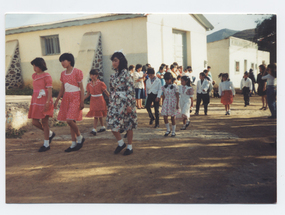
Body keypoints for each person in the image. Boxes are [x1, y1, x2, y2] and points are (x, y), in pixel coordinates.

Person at [106, 52, 137, 155]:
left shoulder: (127, 74)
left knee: (128, 124)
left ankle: (130, 146)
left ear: (121, 61)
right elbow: (111, 90)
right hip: (115, 103)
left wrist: (130, 105)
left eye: (116, 60)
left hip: (125, 102)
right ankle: (120, 143)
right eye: (113, 61)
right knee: (112, 123)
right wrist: (110, 102)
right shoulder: (113, 75)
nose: (113, 63)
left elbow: (130, 90)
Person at [54, 53, 85, 152]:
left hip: (76, 97)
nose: (62, 63)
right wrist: (57, 100)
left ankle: (80, 137)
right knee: (71, 122)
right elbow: (62, 89)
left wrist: (82, 101)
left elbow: (82, 88)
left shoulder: (77, 72)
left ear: (70, 61)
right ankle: (73, 143)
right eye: (61, 61)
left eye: (64, 60)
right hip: (67, 98)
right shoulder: (63, 74)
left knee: (69, 120)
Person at [28, 58, 55, 152]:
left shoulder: (47, 76)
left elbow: (50, 90)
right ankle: (50, 133)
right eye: (33, 66)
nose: (34, 68)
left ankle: (46, 144)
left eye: (36, 66)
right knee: (34, 122)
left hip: (45, 100)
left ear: (41, 65)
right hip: (36, 100)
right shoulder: (34, 76)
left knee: (44, 122)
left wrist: (48, 102)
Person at [84, 69, 110, 136]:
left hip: (100, 100)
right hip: (93, 100)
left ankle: (94, 129)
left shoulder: (101, 83)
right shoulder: (89, 84)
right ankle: (103, 127)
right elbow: (87, 94)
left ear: (97, 75)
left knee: (96, 115)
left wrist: (111, 98)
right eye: (91, 75)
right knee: (99, 115)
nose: (93, 76)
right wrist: (81, 99)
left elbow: (106, 92)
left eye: (94, 75)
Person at [161, 72, 179, 137]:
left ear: (171, 79)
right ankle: (168, 130)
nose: (167, 81)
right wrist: (163, 103)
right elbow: (163, 96)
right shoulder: (164, 87)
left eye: (168, 79)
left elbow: (177, 96)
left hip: (172, 102)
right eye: (166, 80)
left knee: (172, 117)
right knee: (165, 116)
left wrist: (177, 104)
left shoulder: (175, 86)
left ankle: (173, 131)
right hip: (166, 102)